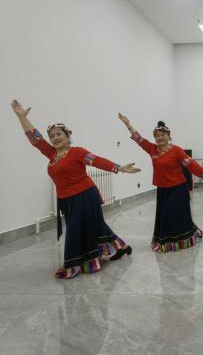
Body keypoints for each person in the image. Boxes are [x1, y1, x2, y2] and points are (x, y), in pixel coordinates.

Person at [12, 100, 138, 279]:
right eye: (52, 136)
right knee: (97, 226)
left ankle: (73, 264)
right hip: (66, 199)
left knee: (74, 229)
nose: (55, 138)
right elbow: (35, 138)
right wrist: (22, 117)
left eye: (59, 134)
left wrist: (119, 168)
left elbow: (97, 160)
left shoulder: (77, 152)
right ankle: (123, 247)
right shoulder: (51, 154)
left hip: (84, 195)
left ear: (67, 135)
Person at [119, 114, 203, 253]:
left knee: (169, 213)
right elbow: (139, 139)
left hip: (178, 188)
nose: (159, 138)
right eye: (157, 136)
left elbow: (190, 164)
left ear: (168, 136)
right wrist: (127, 124)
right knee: (165, 214)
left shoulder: (177, 150)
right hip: (162, 189)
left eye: (162, 135)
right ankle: (189, 233)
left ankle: (173, 240)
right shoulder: (152, 149)